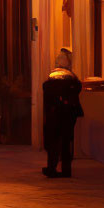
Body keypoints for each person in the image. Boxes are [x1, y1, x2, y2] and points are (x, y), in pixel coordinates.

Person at [42, 49, 83, 178]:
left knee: (55, 140)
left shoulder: (55, 76)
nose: (59, 59)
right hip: (67, 112)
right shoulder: (71, 77)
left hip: (57, 112)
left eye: (61, 57)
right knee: (65, 140)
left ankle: (53, 167)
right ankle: (64, 169)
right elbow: (77, 89)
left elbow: (46, 90)